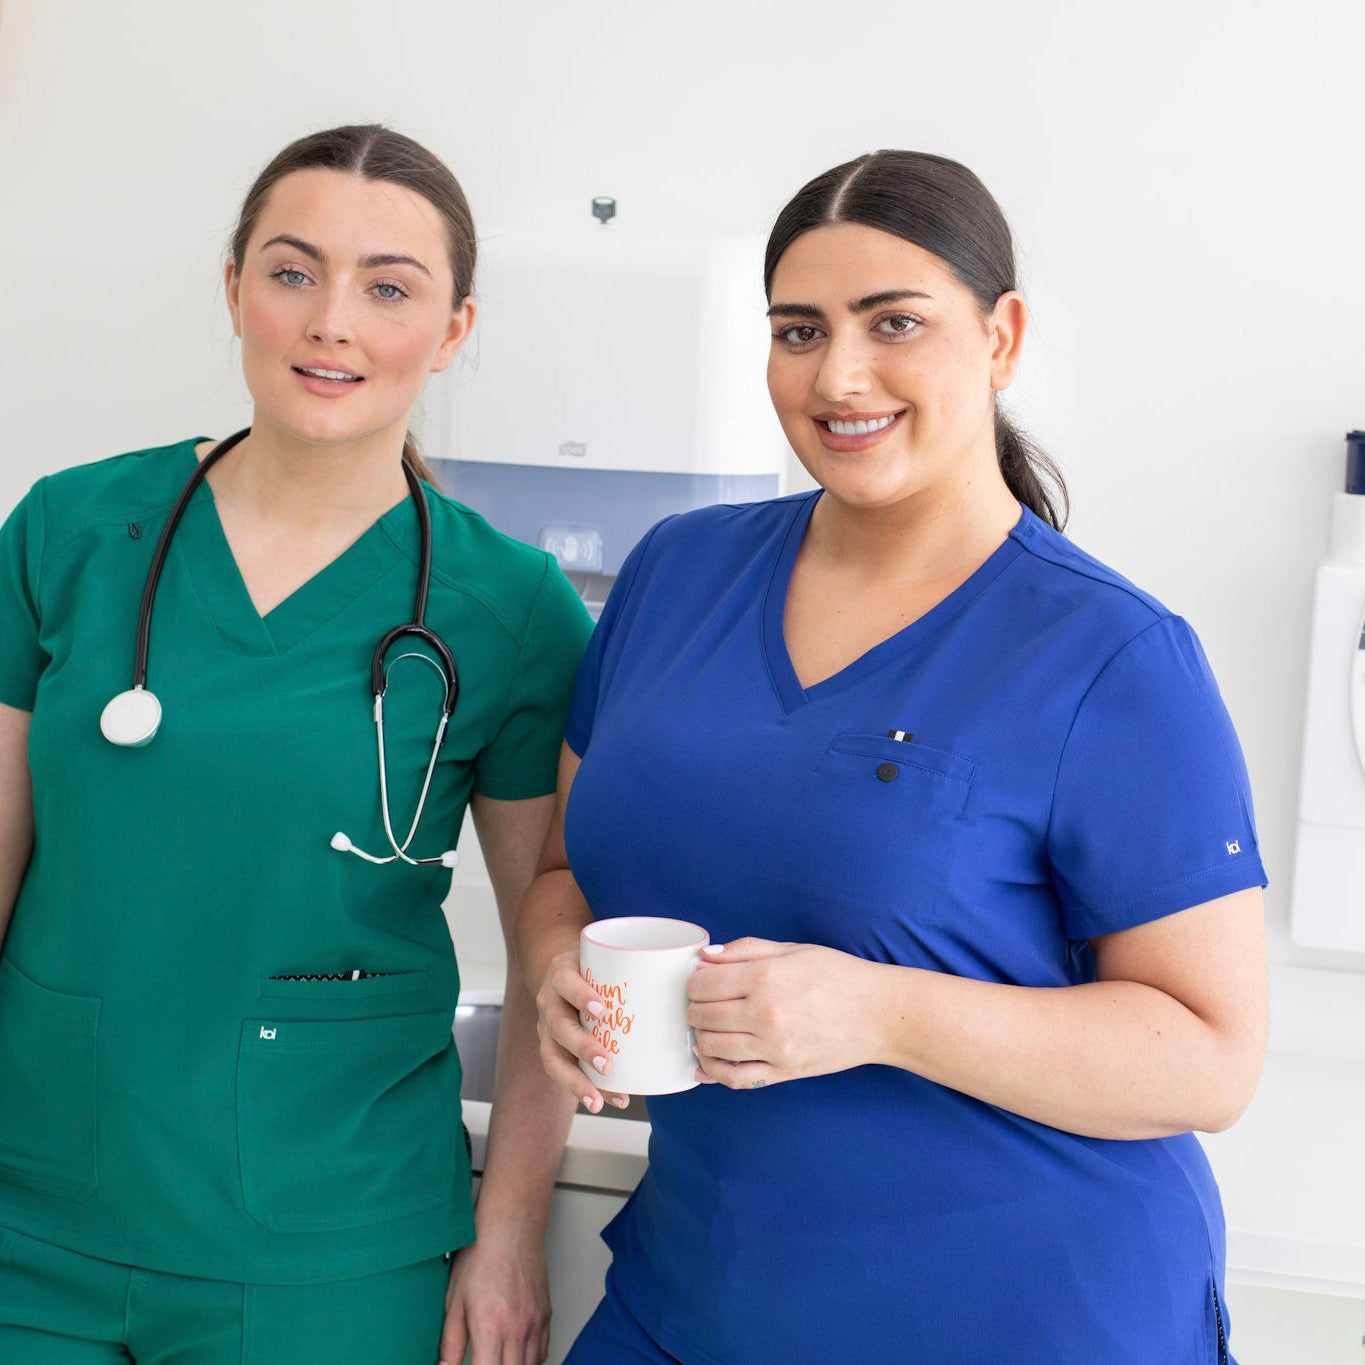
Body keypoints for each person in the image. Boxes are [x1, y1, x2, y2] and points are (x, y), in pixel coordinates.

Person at [518, 150, 1268, 1364]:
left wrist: (883, 1013)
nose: (839, 375)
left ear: (1002, 336)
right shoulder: (675, 573)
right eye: (799, 330)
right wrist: (560, 967)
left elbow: (1212, 1057)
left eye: (895, 323)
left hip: (1028, 1317)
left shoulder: (1111, 658)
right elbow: (567, 869)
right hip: (701, 1300)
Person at [0, 124, 590, 1365]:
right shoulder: (69, 530)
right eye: (291, 271)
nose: (333, 322)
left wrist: (511, 1229)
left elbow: (557, 923)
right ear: (234, 291)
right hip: (35, 1211)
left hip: (332, 1244)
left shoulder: (514, 607)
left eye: (389, 288)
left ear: (455, 331)